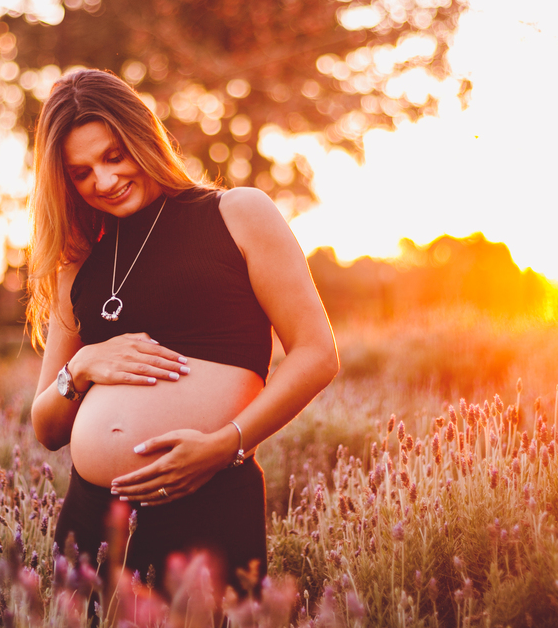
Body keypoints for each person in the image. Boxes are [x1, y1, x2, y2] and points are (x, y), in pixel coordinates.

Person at [27, 68, 338, 597]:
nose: (103, 181)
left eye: (113, 156)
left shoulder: (236, 214)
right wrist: (79, 369)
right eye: (80, 173)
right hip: (93, 518)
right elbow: (47, 428)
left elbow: (316, 354)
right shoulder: (76, 265)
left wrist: (225, 446)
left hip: (209, 501)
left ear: (143, 136)